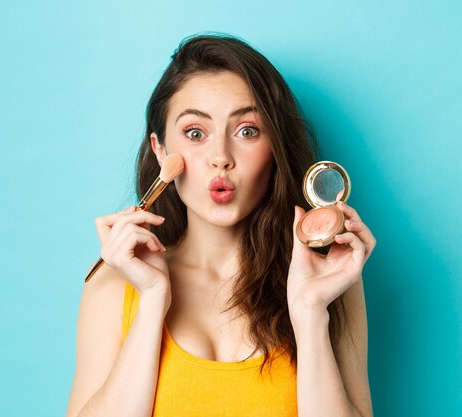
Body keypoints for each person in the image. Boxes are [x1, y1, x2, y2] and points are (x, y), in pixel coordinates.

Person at [65, 33, 376, 417]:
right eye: (195, 133)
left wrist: (310, 313)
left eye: (247, 131)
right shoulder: (113, 285)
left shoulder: (330, 281)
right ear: (161, 150)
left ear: (274, 147)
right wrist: (152, 303)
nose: (220, 157)